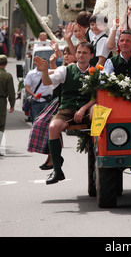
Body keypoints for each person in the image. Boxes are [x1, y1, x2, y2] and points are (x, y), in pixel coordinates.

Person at [33, 42, 95, 185]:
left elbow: (98, 96)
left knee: (98, 114)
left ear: (91, 55)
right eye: (79, 52)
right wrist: (44, 71)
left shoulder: (97, 72)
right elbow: (48, 82)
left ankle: (100, 152)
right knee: (53, 127)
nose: (81, 55)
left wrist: (83, 108)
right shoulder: (65, 70)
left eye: (84, 53)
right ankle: (57, 170)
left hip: (88, 109)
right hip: (67, 108)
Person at [28, 45, 77, 170]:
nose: (65, 56)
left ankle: (53, 158)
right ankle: (52, 157)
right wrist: (50, 63)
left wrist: (48, 68)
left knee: (45, 123)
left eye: (69, 53)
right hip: (59, 100)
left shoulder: (76, 68)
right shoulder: (64, 68)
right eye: (64, 53)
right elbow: (56, 75)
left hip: (66, 102)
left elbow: (53, 73)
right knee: (42, 123)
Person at [0, 55, 15, 154]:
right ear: (6, 64)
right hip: (1, 101)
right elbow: (11, 92)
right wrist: (12, 105)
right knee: (1, 125)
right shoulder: (7, 76)